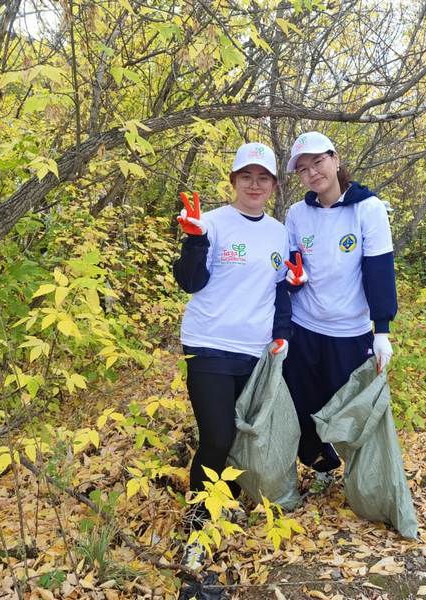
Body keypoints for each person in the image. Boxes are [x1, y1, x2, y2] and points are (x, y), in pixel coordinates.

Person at [173, 142, 291, 570]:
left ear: (274, 185)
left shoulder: (279, 233)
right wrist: (195, 242)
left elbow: (280, 288)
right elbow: (189, 281)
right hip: (208, 344)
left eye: (263, 178)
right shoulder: (211, 222)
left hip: (255, 352)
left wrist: (281, 334)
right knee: (217, 437)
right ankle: (196, 530)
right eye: (246, 177)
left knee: (240, 437)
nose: (254, 185)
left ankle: (227, 502)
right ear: (233, 181)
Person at [282, 131, 397, 492]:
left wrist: (382, 330)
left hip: (349, 332)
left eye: (318, 162)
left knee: (353, 411)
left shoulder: (368, 209)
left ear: (334, 159)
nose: (312, 172)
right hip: (303, 328)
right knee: (301, 407)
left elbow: (379, 271)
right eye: (303, 169)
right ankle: (322, 467)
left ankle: (366, 483)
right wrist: (292, 280)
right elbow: (291, 267)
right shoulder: (297, 214)